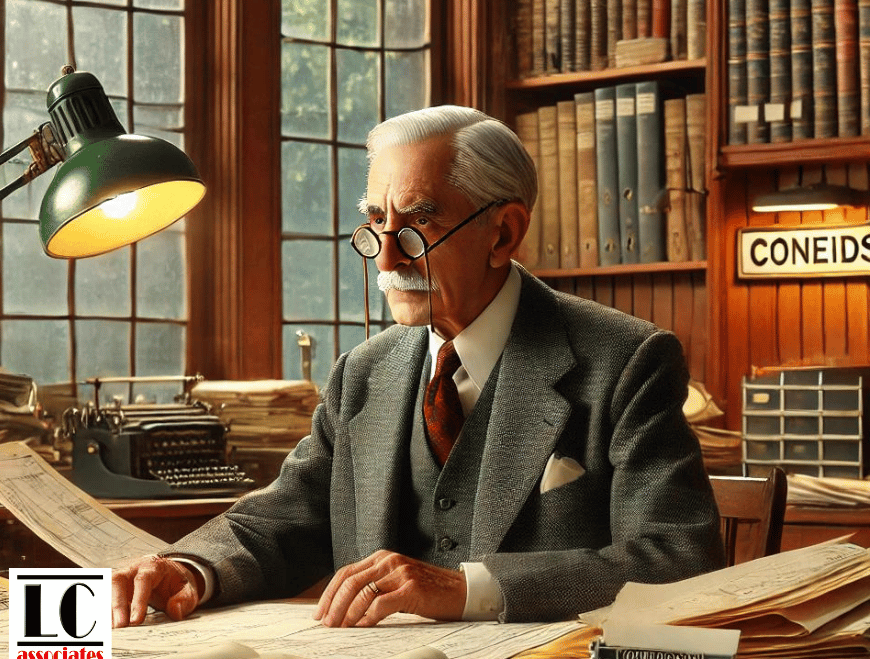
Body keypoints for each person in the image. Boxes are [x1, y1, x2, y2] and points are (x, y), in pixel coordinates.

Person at [111, 105, 724, 630]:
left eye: (419, 223)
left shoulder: (626, 361)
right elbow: (286, 515)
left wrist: (466, 590)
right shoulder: (363, 373)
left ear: (503, 233)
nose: (385, 257)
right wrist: (189, 566)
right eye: (377, 221)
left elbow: (677, 559)